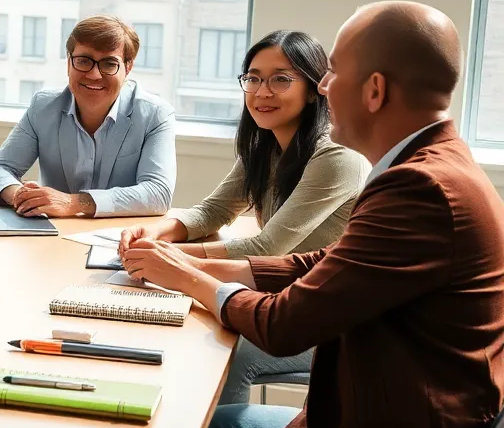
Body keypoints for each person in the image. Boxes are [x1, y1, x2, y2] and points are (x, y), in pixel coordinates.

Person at [122, 1, 504, 428]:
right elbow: (328, 263)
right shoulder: (432, 166)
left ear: (373, 90)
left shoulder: (420, 188)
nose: (324, 86)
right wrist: (202, 263)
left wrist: (189, 278)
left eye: (331, 74)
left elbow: (285, 327)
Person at [118, 30, 369, 404]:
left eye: (281, 79)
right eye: (253, 78)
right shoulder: (265, 144)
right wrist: (155, 233)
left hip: (330, 321)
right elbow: (214, 210)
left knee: (226, 350)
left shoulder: (336, 156)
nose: (262, 91)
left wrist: (174, 261)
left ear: (315, 87)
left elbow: (270, 245)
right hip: (277, 295)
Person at [0, 15, 175, 218]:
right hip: (54, 235)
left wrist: (74, 203)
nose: (94, 75)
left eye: (109, 64)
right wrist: (22, 197)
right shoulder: (43, 106)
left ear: (128, 68)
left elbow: (158, 193)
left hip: (121, 238)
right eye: (84, 61)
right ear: (69, 63)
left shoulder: (155, 115)